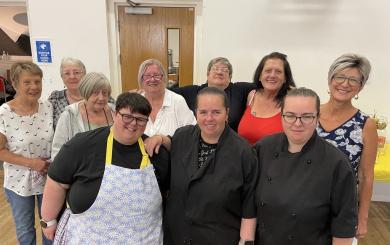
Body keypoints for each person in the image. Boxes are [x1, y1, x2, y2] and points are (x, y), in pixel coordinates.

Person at [41, 92, 170, 244]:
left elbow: (167, 193)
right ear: (115, 114)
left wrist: (164, 138)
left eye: (140, 119)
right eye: (127, 116)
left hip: (143, 239)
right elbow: (57, 181)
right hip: (88, 238)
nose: (133, 123)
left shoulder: (155, 153)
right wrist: (48, 221)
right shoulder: (82, 145)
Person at [254, 87, 358, 245]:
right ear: (281, 116)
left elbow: (344, 224)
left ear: (317, 118)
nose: (297, 123)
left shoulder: (336, 163)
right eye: (290, 116)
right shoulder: (263, 148)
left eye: (307, 117)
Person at [163, 87, 258, 244]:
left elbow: (249, 204)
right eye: (203, 112)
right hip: (177, 235)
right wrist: (160, 139)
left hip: (218, 237)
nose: (209, 118)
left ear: (227, 113)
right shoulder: (181, 137)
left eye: (216, 112)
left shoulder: (244, 152)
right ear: (195, 113)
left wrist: (246, 241)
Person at [317, 54, 378, 242]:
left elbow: (366, 176)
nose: (345, 84)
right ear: (330, 79)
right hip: (304, 202)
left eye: (353, 80)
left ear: (360, 86)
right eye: (340, 77)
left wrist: (363, 218)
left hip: (343, 207)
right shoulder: (310, 114)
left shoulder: (365, 125)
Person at [0, 61, 53, 245]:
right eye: (27, 82)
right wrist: (31, 163)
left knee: (49, 225)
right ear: (14, 84)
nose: (34, 87)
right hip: (18, 181)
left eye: (37, 81)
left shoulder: (48, 107)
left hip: (48, 178)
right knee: (25, 230)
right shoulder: (4, 113)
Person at [171, 57, 255, 131]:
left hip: (231, 143)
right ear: (208, 74)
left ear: (230, 77)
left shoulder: (239, 90)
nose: (219, 72)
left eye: (225, 70)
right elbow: (165, 92)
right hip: (198, 142)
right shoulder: (193, 91)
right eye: (215, 69)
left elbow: (263, 85)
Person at [51, 72, 114, 159]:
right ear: (86, 92)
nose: (101, 98)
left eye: (104, 93)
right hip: (80, 170)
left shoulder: (115, 112)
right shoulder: (69, 115)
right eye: (95, 93)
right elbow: (57, 151)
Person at [238, 52, 296, 144]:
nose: (272, 75)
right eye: (268, 71)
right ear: (260, 76)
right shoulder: (252, 96)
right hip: (245, 157)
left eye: (278, 71)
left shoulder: (292, 101)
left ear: (285, 78)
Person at [138, 59, 196, 137]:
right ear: (141, 79)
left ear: (164, 78)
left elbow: (192, 132)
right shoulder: (136, 102)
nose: (152, 79)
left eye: (157, 75)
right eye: (147, 76)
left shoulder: (177, 101)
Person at [48, 57, 86, 129]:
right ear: (62, 77)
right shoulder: (55, 98)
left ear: (84, 75)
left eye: (76, 73)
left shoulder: (97, 95)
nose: (72, 77)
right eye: (67, 73)